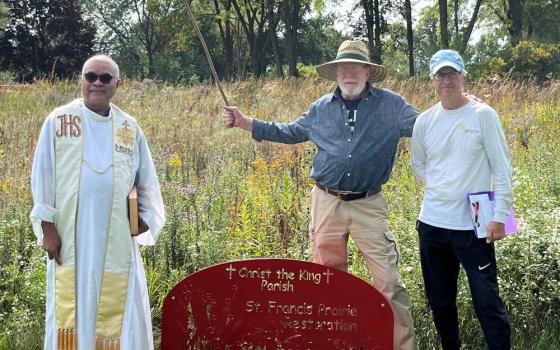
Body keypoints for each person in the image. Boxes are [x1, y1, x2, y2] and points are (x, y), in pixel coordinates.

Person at [223, 40, 418, 349]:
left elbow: (427, 126)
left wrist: (459, 107)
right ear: (335, 73)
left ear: (368, 72)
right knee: (328, 281)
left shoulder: (391, 105)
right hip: (326, 203)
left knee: (389, 284)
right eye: (343, 67)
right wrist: (246, 122)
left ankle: (401, 346)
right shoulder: (320, 108)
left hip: (369, 204)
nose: (349, 73)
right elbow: (289, 132)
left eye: (355, 67)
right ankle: (334, 342)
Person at [30, 55, 165, 350]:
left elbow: (147, 182)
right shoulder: (58, 121)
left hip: (116, 237)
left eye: (105, 78)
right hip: (70, 239)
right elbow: (43, 176)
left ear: (118, 83)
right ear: (81, 80)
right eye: (91, 76)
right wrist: (47, 228)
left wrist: (143, 217)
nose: (97, 83)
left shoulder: (129, 128)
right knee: (71, 313)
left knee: (120, 314)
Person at [410, 49, 512, 349]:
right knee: (440, 302)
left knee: (487, 301)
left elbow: (502, 168)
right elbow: (419, 166)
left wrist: (500, 215)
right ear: (432, 81)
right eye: (440, 75)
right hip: (432, 224)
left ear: (463, 76)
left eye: (452, 73)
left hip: (476, 223)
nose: (446, 80)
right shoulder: (424, 121)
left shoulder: (483, 115)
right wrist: (445, 188)